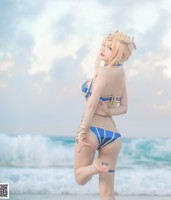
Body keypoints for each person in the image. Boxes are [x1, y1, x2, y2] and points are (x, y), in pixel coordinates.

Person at [74, 30, 136, 200]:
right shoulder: (121, 74)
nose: (103, 49)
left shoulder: (104, 72)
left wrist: (82, 132)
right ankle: (96, 167)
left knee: (80, 177)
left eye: (109, 48)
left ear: (118, 53)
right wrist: (109, 111)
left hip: (93, 130)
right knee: (107, 194)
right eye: (103, 45)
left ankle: (94, 167)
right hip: (114, 137)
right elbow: (124, 107)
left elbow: (92, 105)